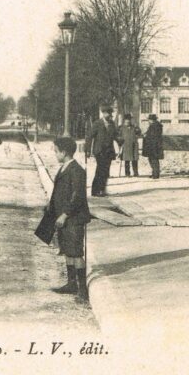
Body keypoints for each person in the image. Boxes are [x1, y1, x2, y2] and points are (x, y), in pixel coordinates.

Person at [47, 136, 91, 301]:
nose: (55, 154)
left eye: (56, 151)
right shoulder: (64, 168)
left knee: (76, 253)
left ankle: (82, 289)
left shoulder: (77, 170)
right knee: (67, 250)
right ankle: (71, 283)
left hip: (74, 217)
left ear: (64, 152)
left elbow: (77, 196)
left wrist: (65, 214)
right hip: (64, 217)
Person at [84, 106, 117, 197]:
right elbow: (89, 136)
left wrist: (121, 141)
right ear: (103, 114)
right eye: (106, 113)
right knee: (100, 170)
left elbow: (115, 135)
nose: (109, 115)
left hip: (109, 151)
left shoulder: (112, 124)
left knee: (106, 171)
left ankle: (102, 190)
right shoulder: (97, 123)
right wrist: (87, 150)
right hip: (99, 151)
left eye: (110, 113)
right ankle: (95, 191)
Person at [142, 114, 163, 179]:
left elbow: (152, 136)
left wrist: (145, 136)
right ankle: (155, 173)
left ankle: (155, 174)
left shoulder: (154, 126)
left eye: (149, 120)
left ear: (151, 120)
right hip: (155, 146)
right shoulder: (157, 125)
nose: (148, 121)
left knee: (153, 160)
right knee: (154, 160)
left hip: (153, 146)